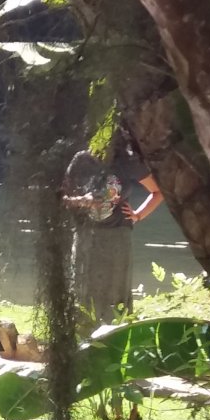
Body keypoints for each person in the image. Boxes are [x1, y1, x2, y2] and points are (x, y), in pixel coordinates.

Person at [62, 127, 164, 323]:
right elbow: (64, 197)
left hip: (117, 236)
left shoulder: (128, 161)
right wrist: (83, 200)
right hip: (86, 235)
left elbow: (158, 191)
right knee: (84, 285)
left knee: (115, 288)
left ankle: (115, 331)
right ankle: (83, 332)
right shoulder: (82, 160)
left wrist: (138, 215)